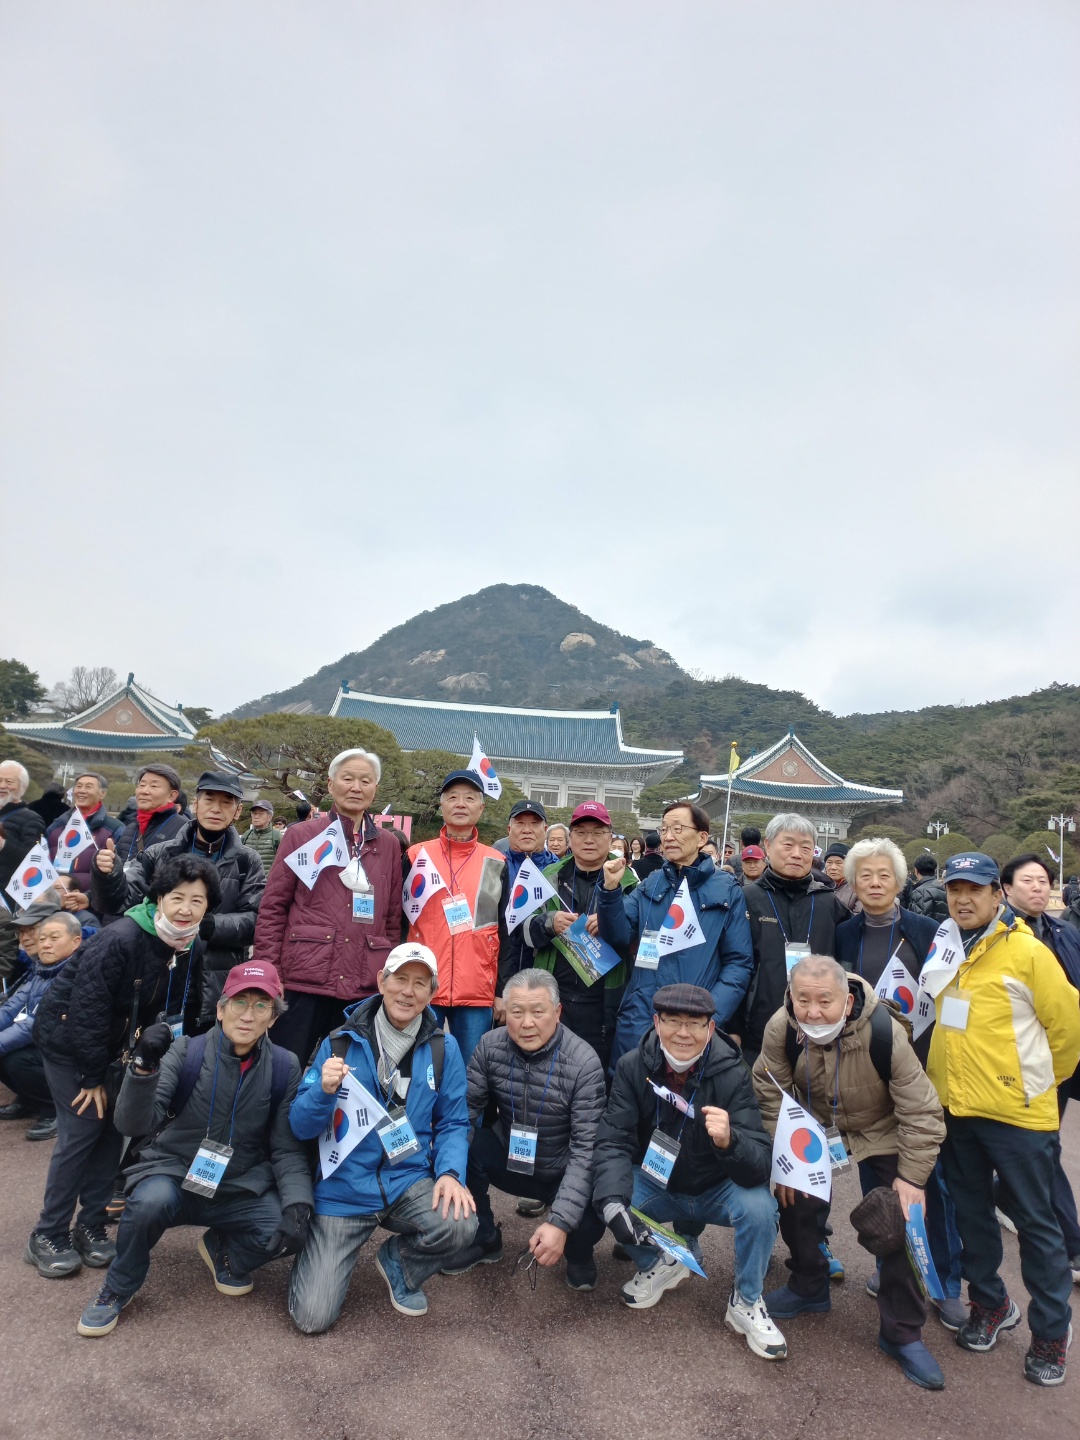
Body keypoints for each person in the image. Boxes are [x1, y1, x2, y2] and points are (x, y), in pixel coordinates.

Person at [74, 960, 313, 1338]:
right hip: (175, 1174)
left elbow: (286, 1148)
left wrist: (298, 1203)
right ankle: (117, 1288)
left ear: (273, 1018)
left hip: (237, 1185)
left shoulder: (285, 1066)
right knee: (148, 1202)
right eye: (239, 1002)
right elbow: (132, 1125)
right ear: (220, 1009)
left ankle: (223, 1250)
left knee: (285, 1230)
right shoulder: (186, 1051)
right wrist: (143, 1067)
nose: (248, 1015)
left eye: (261, 1005)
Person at [753, 956, 947, 1389]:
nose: (813, 1012)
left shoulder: (884, 1032)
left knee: (901, 1216)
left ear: (847, 1000)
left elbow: (921, 1110)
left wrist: (912, 1179)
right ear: (790, 996)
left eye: (825, 1001)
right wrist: (787, 1155)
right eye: (803, 1000)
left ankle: (902, 1331)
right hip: (815, 1126)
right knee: (793, 1197)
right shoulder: (781, 1028)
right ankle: (809, 1284)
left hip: (882, 1127)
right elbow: (769, 1091)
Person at [28, 855, 220, 1278]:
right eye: (177, 897)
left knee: (113, 1132)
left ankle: (91, 1225)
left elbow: (179, 1003)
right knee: (82, 1130)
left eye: (197, 900)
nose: (186, 909)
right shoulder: (122, 937)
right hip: (69, 1041)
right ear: (159, 897)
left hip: (119, 1047)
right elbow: (88, 1009)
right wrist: (92, 1077)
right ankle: (48, 1232)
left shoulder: (189, 942)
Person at [929, 852, 1080, 1386]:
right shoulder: (946, 946)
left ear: (998, 895)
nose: (963, 899)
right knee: (972, 1218)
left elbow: (1068, 1030)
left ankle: (1051, 1333)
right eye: (955, 890)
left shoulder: (1028, 951)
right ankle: (990, 1304)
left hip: (1018, 1117)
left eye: (975, 889)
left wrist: (1034, 1085)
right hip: (957, 1110)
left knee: (1038, 1227)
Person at [592, 983, 786, 1360]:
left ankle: (747, 1300)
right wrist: (613, 1200)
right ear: (656, 1023)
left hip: (718, 1187)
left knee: (762, 1209)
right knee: (603, 1192)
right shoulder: (633, 1067)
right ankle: (661, 1262)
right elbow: (613, 1140)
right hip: (658, 1183)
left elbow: (761, 1161)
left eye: (695, 1023)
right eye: (673, 1021)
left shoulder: (734, 1073)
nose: (683, 1033)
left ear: (710, 1029)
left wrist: (731, 1141)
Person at [287, 943, 476, 1329]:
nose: (408, 991)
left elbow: (454, 1122)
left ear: (432, 992)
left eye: (420, 983)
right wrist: (322, 1092)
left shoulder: (444, 1048)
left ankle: (399, 1266)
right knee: (312, 1318)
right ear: (381, 981)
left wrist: (450, 1174)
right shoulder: (339, 1042)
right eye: (400, 979)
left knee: (460, 1222)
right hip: (343, 1189)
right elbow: (300, 1126)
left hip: (408, 1178)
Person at [834, 836, 964, 1323]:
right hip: (866, 1074)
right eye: (864, 875)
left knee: (932, 1181)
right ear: (852, 882)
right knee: (877, 1182)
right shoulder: (843, 934)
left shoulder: (928, 931)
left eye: (883, 875)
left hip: (921, 1069)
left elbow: (950, 997)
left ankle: (944, 1281)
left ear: (900, 881)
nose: (874, 883)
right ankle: (890, 1268)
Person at [444, 968, 607, 1288]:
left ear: (557, 1012)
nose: (527, 1023)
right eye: (517, 1012)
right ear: (506, 1012)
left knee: (592, 1202)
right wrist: (449, 1174)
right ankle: (484, 1237)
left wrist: (559, 1223)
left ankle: (579, 1253)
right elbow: (465, 1113)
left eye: (538, 1012)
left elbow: (584, 1150)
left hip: (562, 1169)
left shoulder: (584, 1063)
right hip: (511, 1157)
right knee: (463, 1147)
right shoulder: (490, 1045)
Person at [254, 749, 404, 1063]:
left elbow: (391, 918)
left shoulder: (388, 845)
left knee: (349, 1076)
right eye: (348, 778)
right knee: (283, 1069)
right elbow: (273, 908)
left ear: (375, 788)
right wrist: (270, 971)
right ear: (331, 784)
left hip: (362, 984)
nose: (356, 787)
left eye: (365, 781)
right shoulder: (302, 835)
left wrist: (386, 975)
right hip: (303, 978)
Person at [93, 771, 265, 1027]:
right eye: (209, 800)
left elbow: (256, 920)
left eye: (226, 803)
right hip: (156, 971)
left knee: (200, 1043)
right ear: (196, 804)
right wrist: (108, 876)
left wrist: (211, 926)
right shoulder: (159, 853)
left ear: (238, 811)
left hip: (213, 978)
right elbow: (122, 901)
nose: (216, 809)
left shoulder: (247, 861)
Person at [598, 801, 754, 1070]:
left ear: (702, 838)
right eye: (664, 829)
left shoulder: (727, 890)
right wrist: (610, 891)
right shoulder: (650, 883)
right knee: (632, 1088)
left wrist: (708, 1015)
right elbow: (618, 935)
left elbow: (738, 963)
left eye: (678, 828)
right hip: (641, 1016)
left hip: (693, 1023)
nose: (668, 836)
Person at [998, 853, 1080, 1285]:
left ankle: (1002, 1194)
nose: (1038, 888)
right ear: (1006, 888)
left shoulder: (1065, 932)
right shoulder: (995, 935)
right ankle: (1073, 1245)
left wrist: (1064, 1064)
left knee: (1040, 1148)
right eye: (1027, 881)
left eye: (1044, 881)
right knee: (1042, 1148)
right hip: (1012, 1061)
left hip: (1058, 1061)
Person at [516, 802, 634, 1073]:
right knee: (548, 1071)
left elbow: (633, 938)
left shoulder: (629, 882)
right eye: (581, 832)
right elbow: (523, 930)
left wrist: (611, 920)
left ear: (610, 838)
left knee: (595, 1073)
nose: (589, 840)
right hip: (554, 997)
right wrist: (549, 923)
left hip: (604, 1001)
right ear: (570, 838)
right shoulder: (548, 878)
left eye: (597, 832)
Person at [403, 770, 509, 1063]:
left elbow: (504, 930)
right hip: (422, 984)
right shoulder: (416, 856)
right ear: (442, 805)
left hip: (477, 988)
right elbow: (399, 921)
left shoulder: (496, 862)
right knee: (417, 1068)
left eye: (469, 798)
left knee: (471, 1073)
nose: (460, 804)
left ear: (481, 808)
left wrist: (501, 990)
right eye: (452, 797)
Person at [738, 813, 851, 1067]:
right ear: (768, 846)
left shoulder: (828, 902)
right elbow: (734, 964)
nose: (797, 854)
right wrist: (734, 1026)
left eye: (806, 848)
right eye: (788, 845)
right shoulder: (747, 898)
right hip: (758, 1030)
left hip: (820, 1029)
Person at [0, 909, 82, 1141]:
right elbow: (11, 1009)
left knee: (17, 1060)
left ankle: (55, 1109)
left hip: (72, 1053)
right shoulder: (43, 969)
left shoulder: (73, 973)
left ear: (76, 941)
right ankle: (30, 1099)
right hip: (47, 1041)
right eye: (43, 938)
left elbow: (32, 1025)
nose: (44, 943)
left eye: (53, 938)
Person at [89, 764, 187, 924]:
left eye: (154, 786)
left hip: (151, 920)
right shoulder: (131, 827)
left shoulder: (182, 829)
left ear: (172, 795)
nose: (144, 791)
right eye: (141, 785)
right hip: (118, 915)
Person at [0, 759, 47, 981]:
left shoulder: (31, 818)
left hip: (7, 900)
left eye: (9, 781)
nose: (2, 785)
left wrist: (4, 845)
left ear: (22, 787)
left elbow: (33, 862)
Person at [45, 772, 123, 895]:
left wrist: (90, 898)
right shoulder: (56, 827)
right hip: (56, 899)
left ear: (102, 794)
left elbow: (120, 872)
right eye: (79, 786)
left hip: (93, 901)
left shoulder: (115, 829)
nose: (81, 790)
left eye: (88, 787)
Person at [241, 798, 281, 875]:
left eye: (260, 814)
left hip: (268, 881)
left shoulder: (277, 836)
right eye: (254, 813)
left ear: (269, 817)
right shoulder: (246, 835)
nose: (256, 816)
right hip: (247, 881)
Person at [906, 853, 950, 923]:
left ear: (916, 871)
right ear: (934, 870)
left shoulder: (919, 892)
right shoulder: (944, 888)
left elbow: (918, 922)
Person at [822, 843, 859, 911]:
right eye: (829, 862)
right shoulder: (817, 885)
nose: (833, 867)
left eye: (838, 863)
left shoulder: (857, 889)